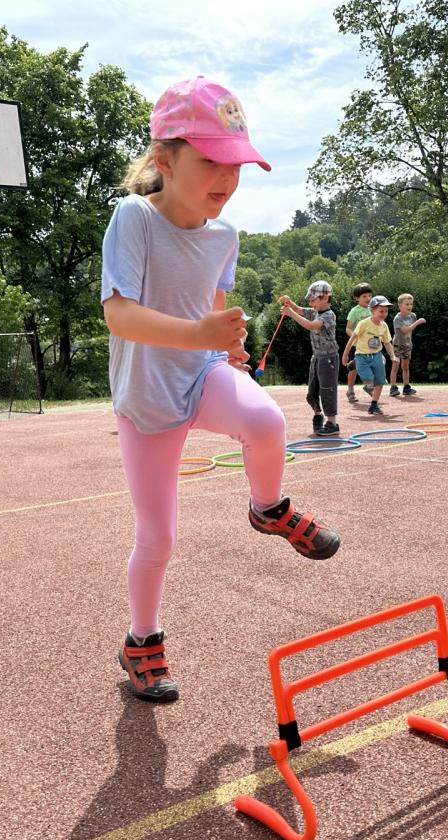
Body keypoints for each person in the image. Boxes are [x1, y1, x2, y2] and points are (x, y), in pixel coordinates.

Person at [103, 75, 341, 703]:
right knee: (158, 537)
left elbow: (211, 306)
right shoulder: (134, 218)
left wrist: (225, 344)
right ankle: (141, 640)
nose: (226, 178)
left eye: (235, 164)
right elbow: (119, 315)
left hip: (202, 372)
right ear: (164, 160)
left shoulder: (224, 236)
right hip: (147, 398)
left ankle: (268, 508)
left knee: (267, 422)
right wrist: (200, 332)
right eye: (211, 161)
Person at [278, 280, 340, 435]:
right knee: (311, 393)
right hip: (317, 357)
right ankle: (318, 414)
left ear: (325, 298)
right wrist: (289, 303)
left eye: (313, 300)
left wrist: (291, 314)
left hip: (329, 358)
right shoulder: (315, 311)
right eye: (310, 300)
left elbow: (311, 325)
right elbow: (299, 309)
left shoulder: (328, 315)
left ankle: (332, 423)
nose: (311, 303)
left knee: (327, 390)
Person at [342, 294, 397, 416]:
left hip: (376, 356)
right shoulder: (364, 323)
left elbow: (387, 343)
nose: (384, 314)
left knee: (380, 382)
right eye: (381, 311)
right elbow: (352, 339)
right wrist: (345, 355)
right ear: (372, 310)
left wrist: (393, 356)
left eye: (386, 311)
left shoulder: (384, 326)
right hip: (362, 356)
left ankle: (374, 405)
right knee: (368, 380)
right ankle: (356, 364)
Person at [389, 293, 426, 396]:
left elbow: (410, 331)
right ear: (400, 305)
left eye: (411, 304)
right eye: (407, 304)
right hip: (397, 345)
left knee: (405, 366)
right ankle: (393, 388)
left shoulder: (412, 316)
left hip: (407, 345)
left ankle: (406, 387)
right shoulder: (398, 318)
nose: (409, 306)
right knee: (395, 366)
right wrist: (418, 322)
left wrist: (415, 323)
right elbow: (405, 330)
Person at [345, 283, 373, 402]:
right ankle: (350, 391)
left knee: (372, 366)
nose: (368, 298)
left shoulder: (373, 310)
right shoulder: (354, 311)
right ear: (357, 298)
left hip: (370, 346)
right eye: (364, 296)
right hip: (356, 346)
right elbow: (348, 329)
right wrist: (356, 338)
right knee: (354, 369)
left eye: (369, 295)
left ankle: (368, 386)